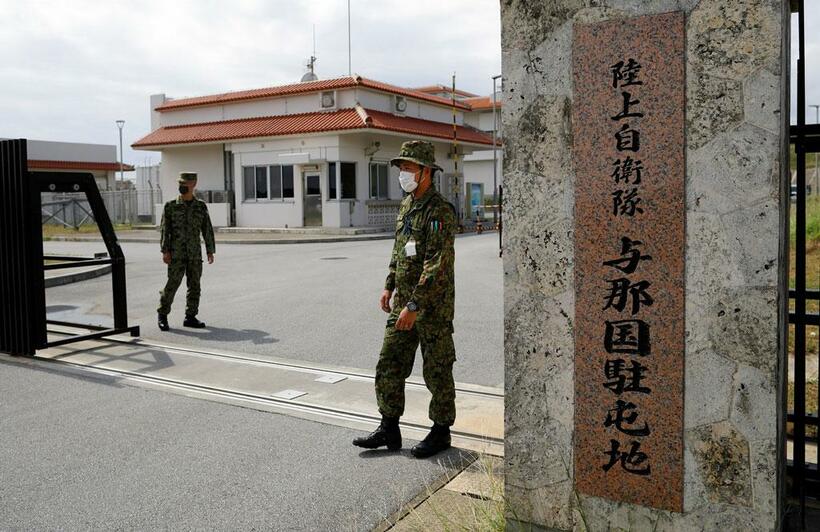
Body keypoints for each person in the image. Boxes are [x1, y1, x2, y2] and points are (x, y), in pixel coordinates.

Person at [353, 140, 457, 458]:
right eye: (402, 168)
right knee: (389, 364)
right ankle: (389, 427)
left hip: (431, 308)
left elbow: (437, 263)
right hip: (403, 305)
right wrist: (389, 285)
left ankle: (441, 432)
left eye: (410, 168)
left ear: (426, 172)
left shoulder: (440, 210)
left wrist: (414, 304)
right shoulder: (406, 205)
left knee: (437, 370)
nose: (404, 173)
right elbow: (400, 251)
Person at [157, 171, 215, 331]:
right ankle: (162, 314)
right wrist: (165, 251)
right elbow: (164, 230)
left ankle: (190, 317)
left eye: (185, 183)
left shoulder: (200, 206)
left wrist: (210, 250)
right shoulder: (170, 206)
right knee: (172, 284)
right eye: (180, 183)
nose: (181, 186)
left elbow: (207, 229)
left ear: (193, 184)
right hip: (176, 253)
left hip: (194, 253)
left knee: (195, 285)